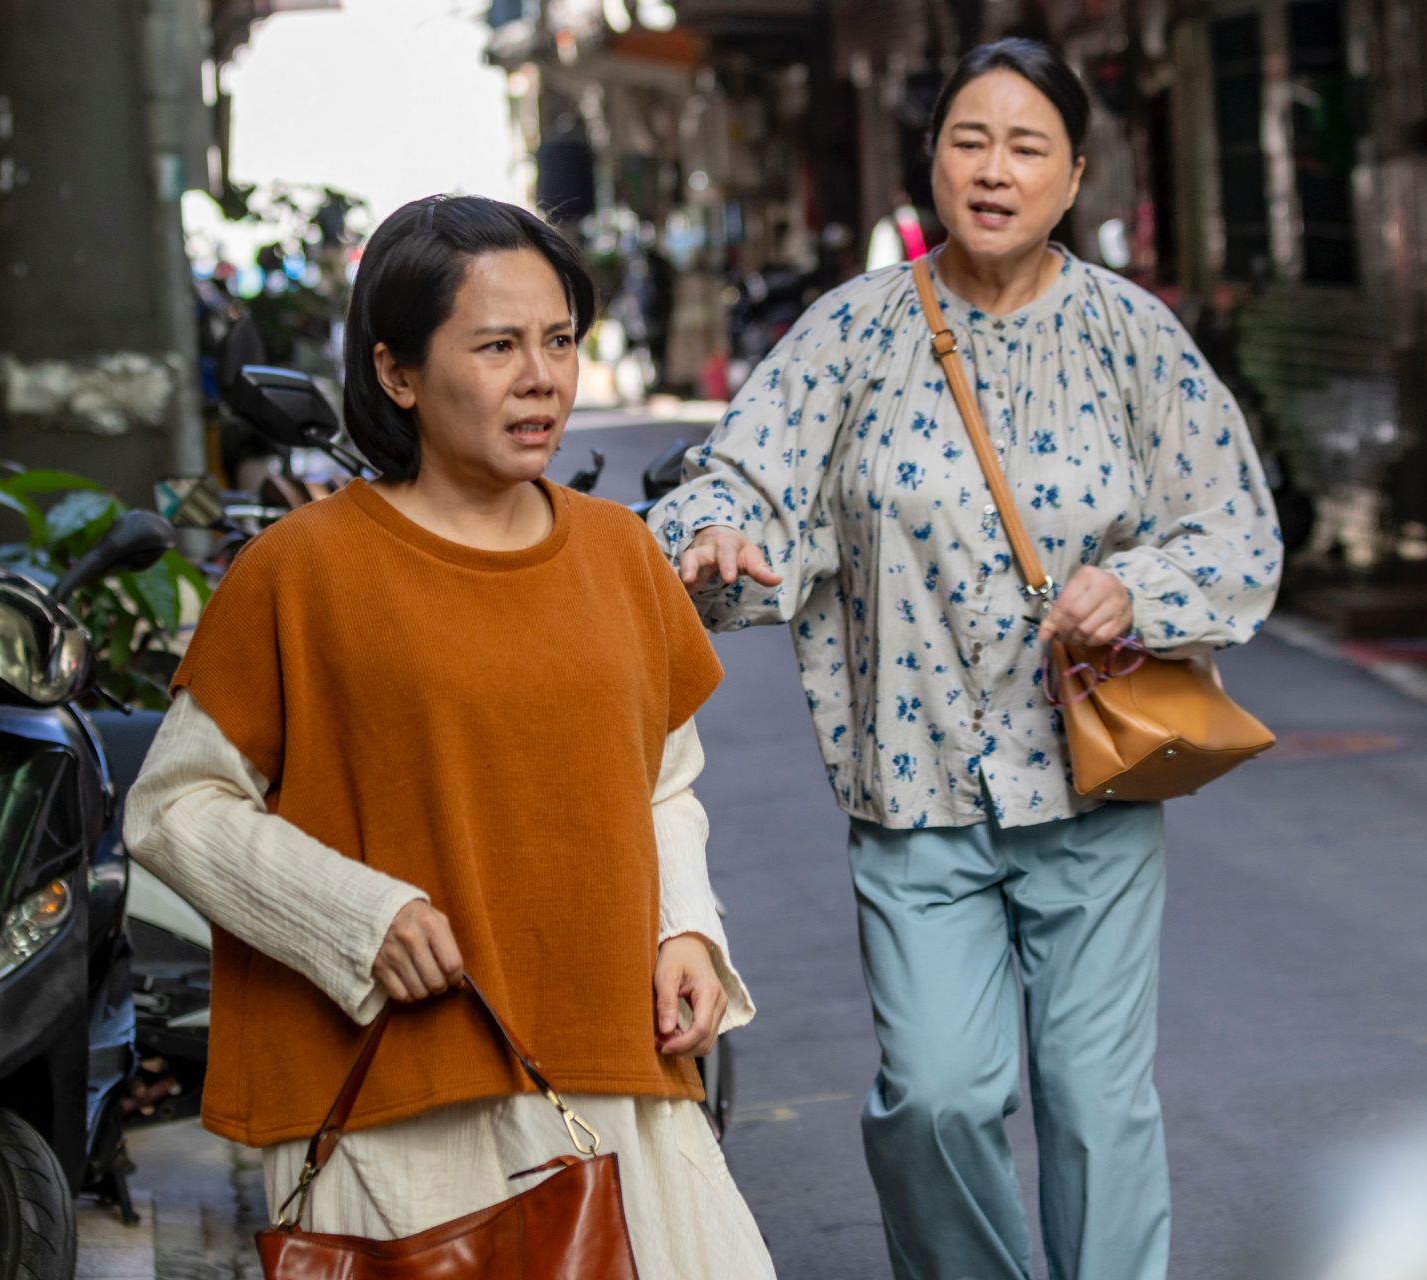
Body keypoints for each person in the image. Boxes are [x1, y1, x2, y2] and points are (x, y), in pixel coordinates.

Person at [648, 38, 1282, 1280]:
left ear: (1075, 173)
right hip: (914, 787)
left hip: (1097, 787)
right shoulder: (854, 331)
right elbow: (734, 477)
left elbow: (1235, 526)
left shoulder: (1130, 337)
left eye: (1026, 146)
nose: (994, 170)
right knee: (938, 1094)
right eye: (968, 141)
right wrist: (712, 534)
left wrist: (1136, 585)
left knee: (1097, 1106)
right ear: (931, 160)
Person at [125, 193, 776, 1279]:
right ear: (397, 373)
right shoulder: (301, 572)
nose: (543, 377)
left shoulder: (619, 554)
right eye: (499, 345)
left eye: (561, 340)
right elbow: (172, 806)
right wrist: (358, 916)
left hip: (616, 1072)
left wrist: (688, 934)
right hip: (398, 1104)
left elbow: (663, 781)